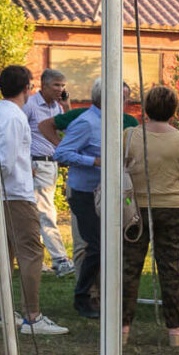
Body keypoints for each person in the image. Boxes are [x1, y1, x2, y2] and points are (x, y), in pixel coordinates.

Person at [0, 63, 66, 335]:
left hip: (2, 193)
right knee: (31, 252)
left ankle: (0, 313)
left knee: (4, 252)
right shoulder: (14, 116)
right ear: (27, 88)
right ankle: (33, 317)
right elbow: (6, 160)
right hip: (16, 195)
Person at [119, 84, 179, 348]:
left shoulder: (128, 136)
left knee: (129, 269)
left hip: (134, 208)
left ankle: (122, 329)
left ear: (145, 109)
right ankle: (176, 330)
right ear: (174, 111)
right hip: (172, 208)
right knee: (170, 269)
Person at [52, 86, 119, 319]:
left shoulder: (110, 120)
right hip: (85, 193)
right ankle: (83, 298)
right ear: (106, 98)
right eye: (121, 97)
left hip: (105, 191)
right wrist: (95, 161)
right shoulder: (87, 122)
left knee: (103, 246)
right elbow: (61, 153)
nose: (124, 101)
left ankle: (100, 296)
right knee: (96, 246)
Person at [24, 67, 74, 276]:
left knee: (38, 214)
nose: (60, 89)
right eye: (56, 85)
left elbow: (71, 130)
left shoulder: (57, 107)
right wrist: (26, 163)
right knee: (46, 212)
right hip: (36, 165)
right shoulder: (31, 105)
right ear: (43, 85)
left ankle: (36, 260)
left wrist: (67, 106)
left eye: (63, 86)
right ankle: (60, 259)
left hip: (51, 166)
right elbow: (20, 134)